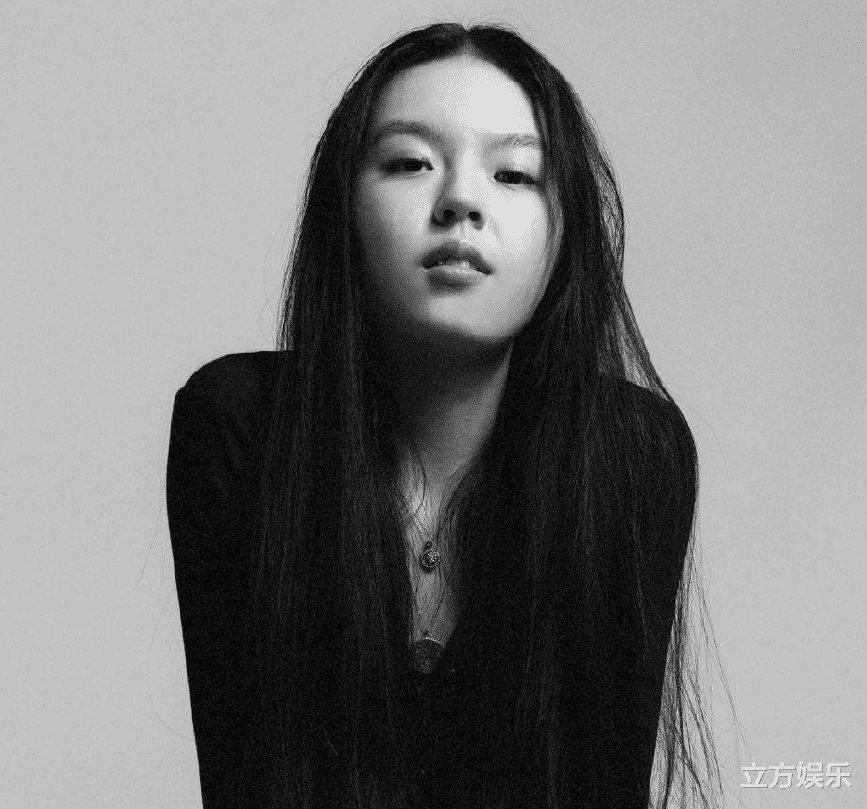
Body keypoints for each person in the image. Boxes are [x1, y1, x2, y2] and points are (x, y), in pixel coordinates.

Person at [167, 21, 724, 809]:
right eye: (409, 163)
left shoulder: (629, 454)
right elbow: (246, 780)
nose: (460, 200)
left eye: (514, 174)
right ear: (343, 210)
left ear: (565, 233)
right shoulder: (240, 428)